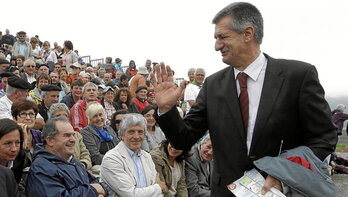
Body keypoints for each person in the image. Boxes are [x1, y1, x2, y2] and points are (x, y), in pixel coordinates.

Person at [151, 2, 337, 196]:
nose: (217, 46)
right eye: (216, 38)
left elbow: (323, 138)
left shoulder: (298, 76)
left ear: (248, 34)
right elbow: (183, 140)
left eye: (223, 37)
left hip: (279, 192)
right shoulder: (213, 84)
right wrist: (166, 110)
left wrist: (284, 175)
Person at [26, 116, 109, 196]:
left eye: (73, 135)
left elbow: (95, 183)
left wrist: (102, 191)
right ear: (50, 140)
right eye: (67, 135)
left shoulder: (72, 161)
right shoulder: (41, 167)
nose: (73, 139)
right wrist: (93, 191)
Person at [100, 113, 167, 197]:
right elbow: (131, 194)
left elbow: (158, 195)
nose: (136, 136)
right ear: (122, 135)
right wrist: (158, 187)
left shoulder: (147, 156)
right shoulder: (111, 159)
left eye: (140, 132)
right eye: (131, 132)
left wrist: (156, 189)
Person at [49, 103, 92, 170]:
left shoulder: (77, 136)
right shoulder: (50, 137)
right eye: (58, 116)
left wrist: (82, 165)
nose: (62, 118)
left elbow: (85, 155)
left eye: (65, 116)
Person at [81, 102, 119, 167]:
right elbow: (95, 157)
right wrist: (115, 161)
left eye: (100, 115)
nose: (99, 118)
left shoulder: (109, 129)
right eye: (95, 116)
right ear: (90, 118)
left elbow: (119, 148)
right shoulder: (86, 132)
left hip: (116, 163)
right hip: (99, 166)